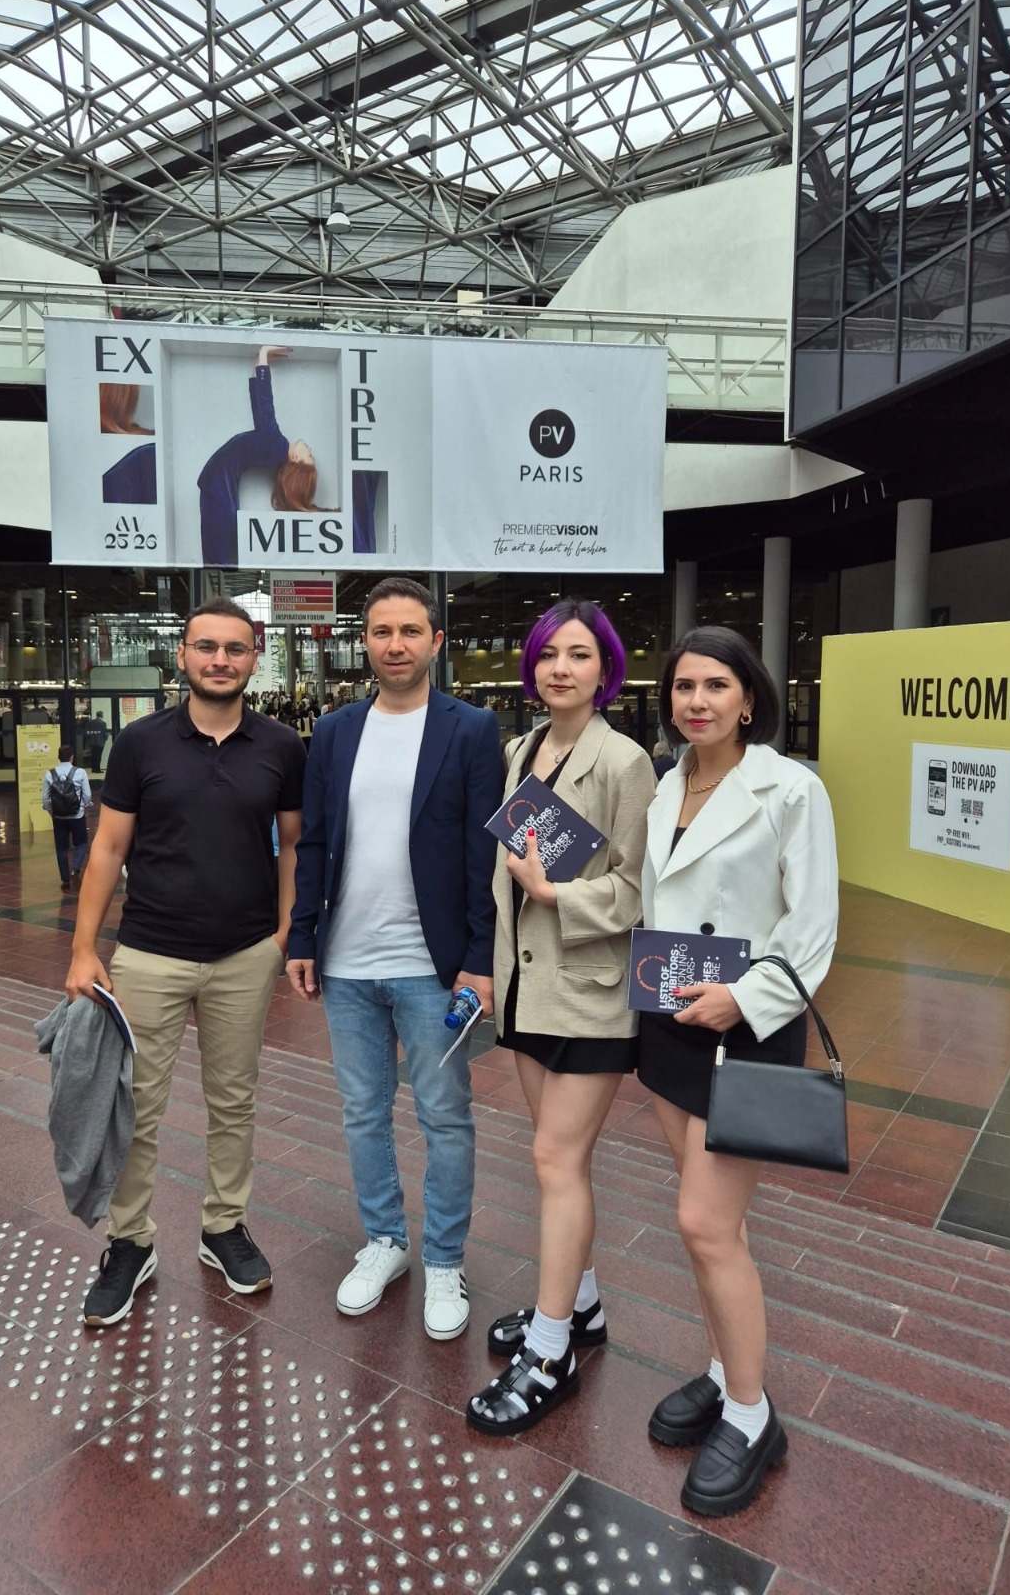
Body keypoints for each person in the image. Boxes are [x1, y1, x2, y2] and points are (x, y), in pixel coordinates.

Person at [637, 625, 838, 1518]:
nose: (698, 701)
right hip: (671, 1023)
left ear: (749, 698)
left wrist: (744, 1000)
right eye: (684, 686)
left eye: (716, 685)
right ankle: (725, 1373)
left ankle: (754, 1418)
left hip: (745, 1026)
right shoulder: (665, 782)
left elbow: (813, 926)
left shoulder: (790, 788)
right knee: (710, 1231)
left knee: (705, 1224)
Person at [66, 596, 307, 1327]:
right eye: (207, 647)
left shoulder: (281, 747)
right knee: (135, 1106)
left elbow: (294, 843)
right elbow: (108, 847)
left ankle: (223, 1226)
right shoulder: (140, 743)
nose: (220, 660)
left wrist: (285, 930)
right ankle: (130, 1243)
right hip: (148, 953)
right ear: (183, 655)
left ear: (254, 658)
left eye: (235, 649)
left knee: (234, 1102)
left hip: (244, 955)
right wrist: (83, 948)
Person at [286, 577, 503, 1341]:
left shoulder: (471, 728)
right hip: (347, 963)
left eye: (411, 631)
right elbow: (315, 839)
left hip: (432, 968)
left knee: (444, 1114)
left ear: (436, 642)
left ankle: (444, 1257)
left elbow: (483, 852)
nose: (396, 644)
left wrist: (480, 958)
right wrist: (303, 936)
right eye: (382, 631)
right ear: (365, 642)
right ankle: (385, 1240)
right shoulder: (336, 730)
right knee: (362, 1110)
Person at [465, 601, 655, 1436]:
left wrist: (555, 894)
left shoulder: (625, 761)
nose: (560, 668)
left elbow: (640, 888)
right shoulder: (523, 749)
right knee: (555, 1161)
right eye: (548, 654)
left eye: (579, 655)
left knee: (555, 1158)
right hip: (528, 987)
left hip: (590, 989)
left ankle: (551, 1354)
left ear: (605, 669)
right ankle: (582, 1306)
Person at [198, 346, 378, 565]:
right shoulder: (275, 446)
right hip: (219, 484)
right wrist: (258, 362)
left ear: (295, 459)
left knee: (216, 555)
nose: (310, 449)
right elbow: (259, 406)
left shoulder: (276, 445)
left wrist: (263, 355)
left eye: (309, 456)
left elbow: (264, 405)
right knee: (217, 553)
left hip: (218, 484)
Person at [42, 746, 93, 892]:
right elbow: (87, 795)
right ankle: (75, 869)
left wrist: (51, 811)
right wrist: (85, 807)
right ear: (72, 757)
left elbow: (45, 799)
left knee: (61, 847)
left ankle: (65, 880)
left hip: (59, 816)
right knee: (81, 843)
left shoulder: (50, 774)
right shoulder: (80, 772)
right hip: (77, 815)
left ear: (58, 757)